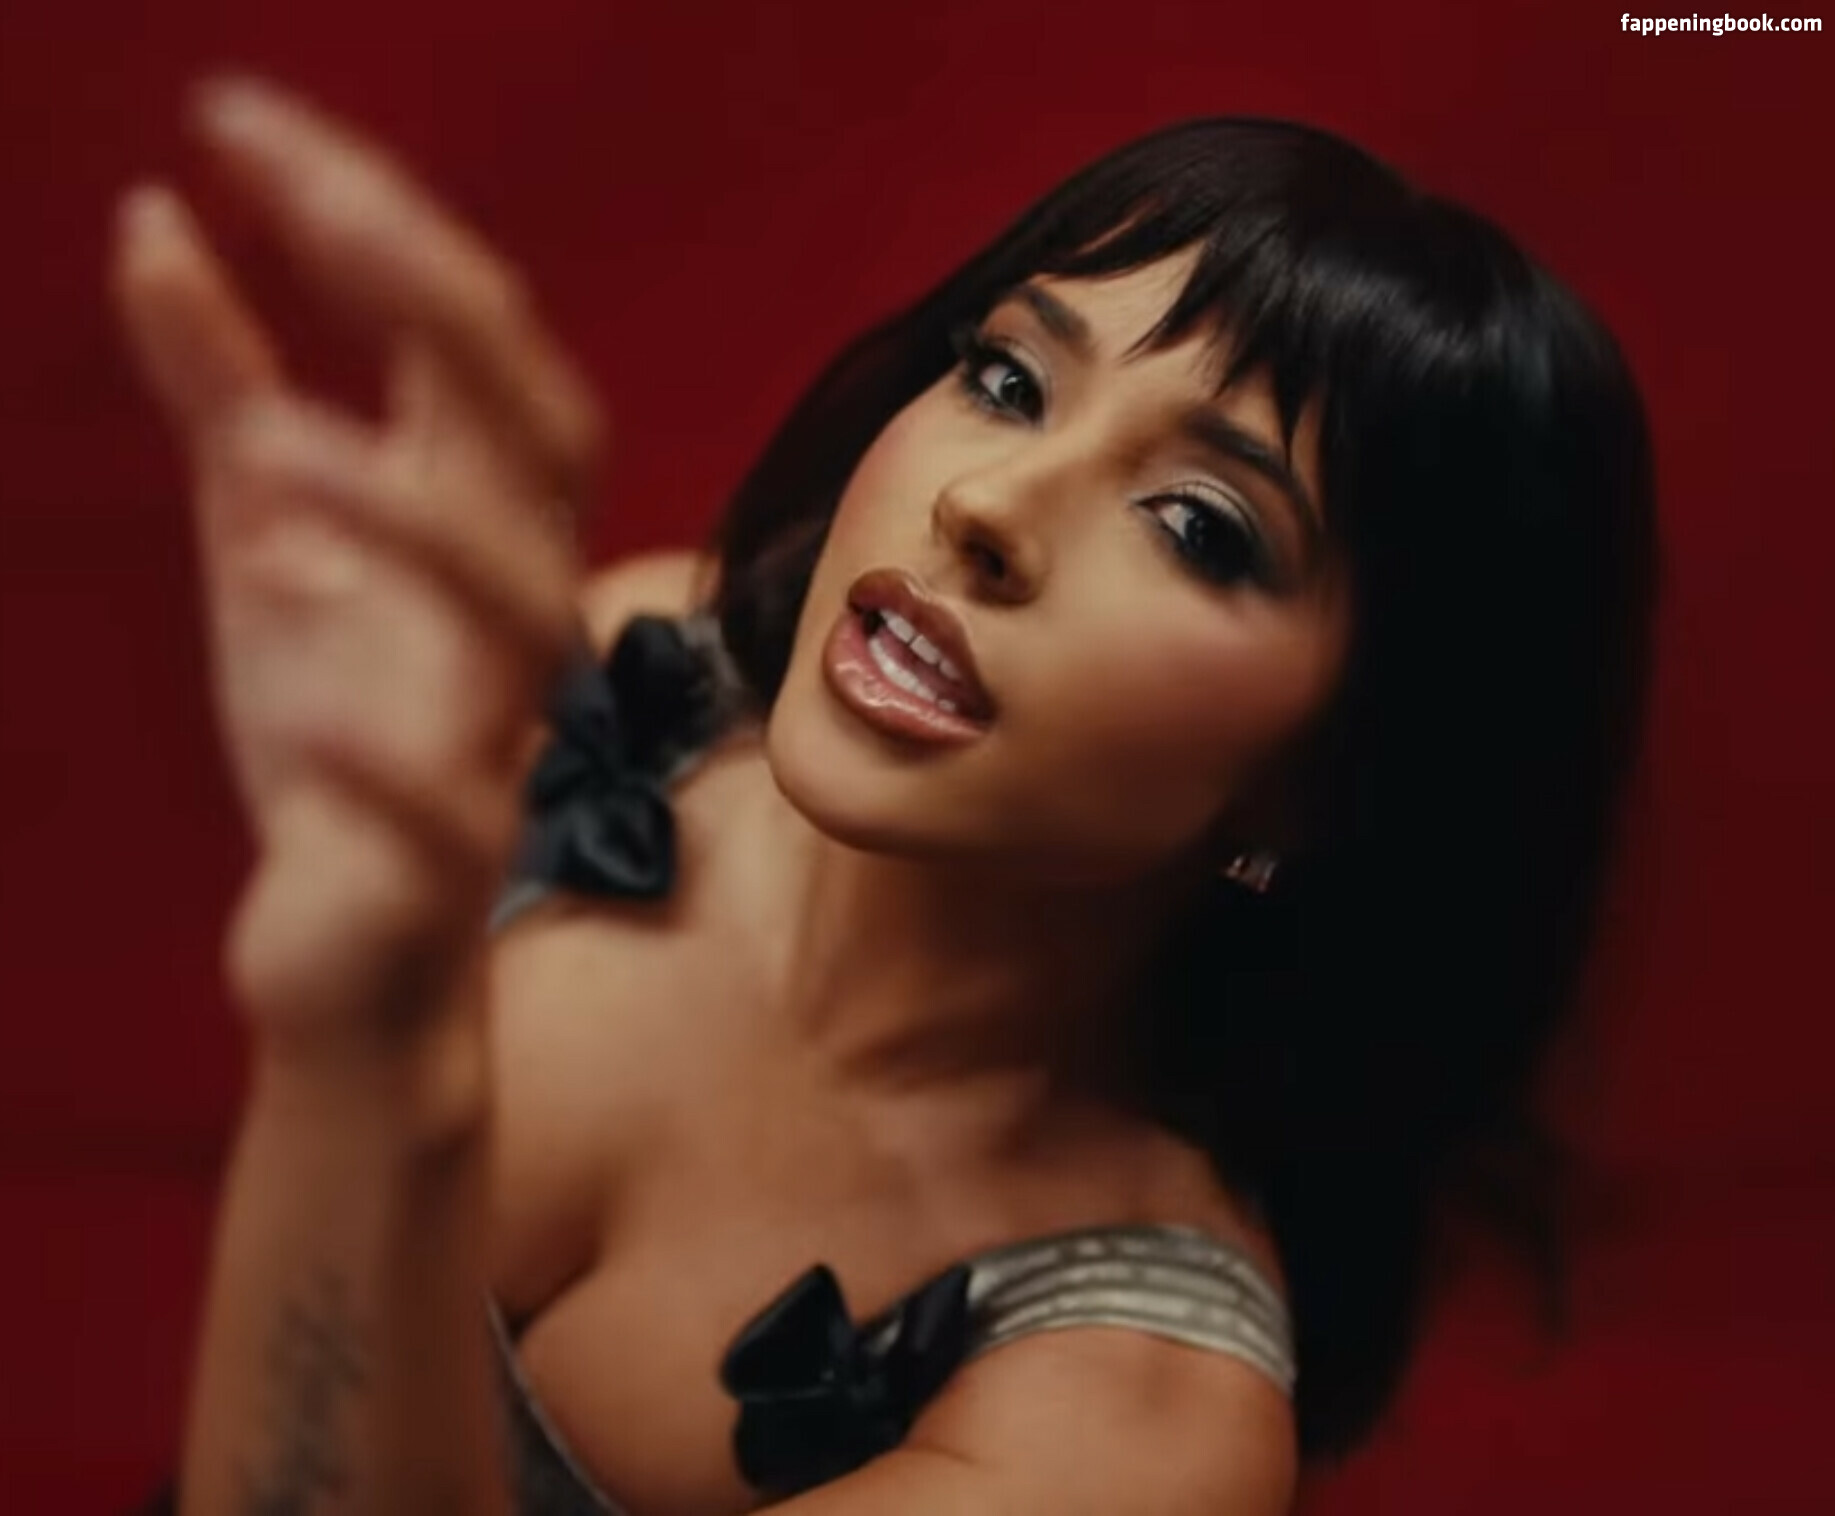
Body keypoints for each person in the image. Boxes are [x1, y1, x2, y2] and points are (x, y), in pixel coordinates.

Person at [114, 73, 1658, 1516]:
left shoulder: (1136, 1430)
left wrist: (373, 1062)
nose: (985, 504)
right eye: (1008, 378)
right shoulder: (631, 676)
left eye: (1199, 525)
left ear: (1333, 783)